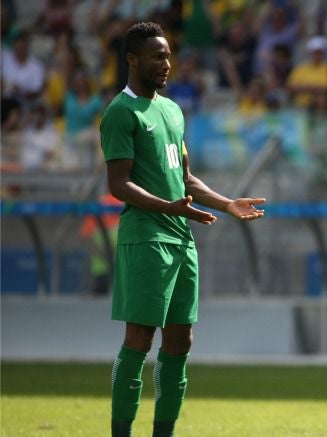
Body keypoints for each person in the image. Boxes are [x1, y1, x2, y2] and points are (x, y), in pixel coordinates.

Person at [100, 22, 266, 437]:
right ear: (132, 59)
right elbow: (118, 183)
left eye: (168, 56)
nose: (166, 64)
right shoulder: (120, 112)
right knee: (139, 338)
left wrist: (227, 203)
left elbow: (185, 179)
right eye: (157, 56)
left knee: (181, 341)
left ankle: (164, 432)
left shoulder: (172, 110)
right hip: (146, 236)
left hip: (180, 237)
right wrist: (165, 206)